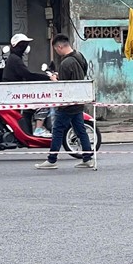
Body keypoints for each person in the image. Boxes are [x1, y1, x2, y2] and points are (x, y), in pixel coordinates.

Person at [35, 34, 94, 169]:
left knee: (57, 130)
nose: (57, 52)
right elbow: (78, 76)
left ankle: (51, 160)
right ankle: (87, 158)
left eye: (56, 49)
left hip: (67, 103)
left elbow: (63, 86)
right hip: (78, 100)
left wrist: (55, 80)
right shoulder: (80, 56)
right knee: (80, 130)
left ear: (60, 47)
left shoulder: (65, 63)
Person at [4, 33, 54, 137]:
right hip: (14, 93)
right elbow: (27, 75)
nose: (26, 47)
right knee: (43, 104)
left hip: (14, 92)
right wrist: (47, 78)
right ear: (20, 46)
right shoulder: (15, 59)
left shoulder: (14, 58)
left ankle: (27, 134)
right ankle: (38, 129)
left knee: (28, 111)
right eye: (24, 44)